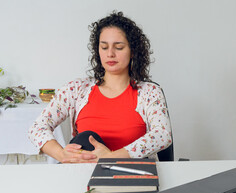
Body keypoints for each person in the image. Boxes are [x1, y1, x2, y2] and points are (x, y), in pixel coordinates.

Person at [28, 11, 172, 163]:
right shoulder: (76, 89)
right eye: (104, 47)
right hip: (85, 178)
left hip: (132, 176)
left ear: (133, 52)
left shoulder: (149, 92)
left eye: (119, 47)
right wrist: (61, 154)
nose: (110, 54)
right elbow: (37, 128)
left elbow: (162, 135)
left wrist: (110, 158)